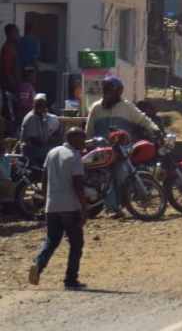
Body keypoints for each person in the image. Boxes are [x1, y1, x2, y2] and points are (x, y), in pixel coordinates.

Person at [85, 76, 159, 215]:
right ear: (106, 91)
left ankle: (119, 205)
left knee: (121, 175)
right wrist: (88, 145)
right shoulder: (96, 108)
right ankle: (112, 208)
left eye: (119, 92)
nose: (117, 95)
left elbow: (143, 119)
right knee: (104, 179)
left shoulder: (126, 106)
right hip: (101, 152)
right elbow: (89, 130)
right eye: (113, 92)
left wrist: (154, 129)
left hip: (121, 151)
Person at [28, 127, 88, 290]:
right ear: (73, 139)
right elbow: (78, 184)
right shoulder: (74, 156)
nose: (84, 143)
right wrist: (84, 207)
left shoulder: (52, 152)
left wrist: (47, 198)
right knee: (76, 244)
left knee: (52, 240)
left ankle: (38, 265)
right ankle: (70, 279)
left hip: (52, 205)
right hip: (70, 206)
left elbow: (44, 177)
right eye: (82, 139)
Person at [20, 93, 63, 165]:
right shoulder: (31, 118)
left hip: (41, 147)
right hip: (31, 149)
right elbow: (34, 140)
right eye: (38, 104)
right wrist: (48, 144)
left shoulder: (43, 116)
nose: (41, 107)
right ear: (34, 105)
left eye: (42, 105)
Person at [1, 23, 19, 94]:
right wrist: (14, 87)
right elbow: (7, 71)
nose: (18, 34)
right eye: (16, 32)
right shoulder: (7, 49)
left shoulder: (14, 47)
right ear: (10, 34)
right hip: (9, 85)